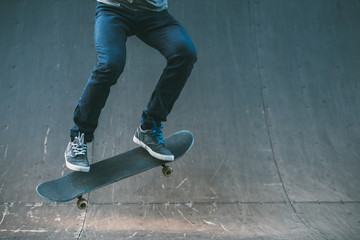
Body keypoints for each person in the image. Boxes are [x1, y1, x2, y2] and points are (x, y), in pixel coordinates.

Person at [64, 0, 197, 172]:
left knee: (185, 53)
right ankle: (78, 137)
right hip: (113, 10)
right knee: (109, 65)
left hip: (154, 14)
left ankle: (149, 128)